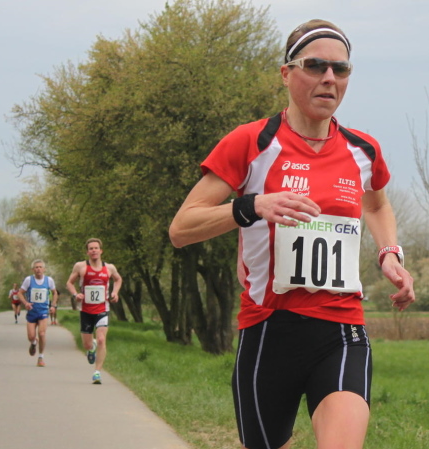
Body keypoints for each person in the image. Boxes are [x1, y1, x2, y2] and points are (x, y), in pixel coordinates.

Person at [169, 19, 415, 449]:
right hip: (269, 329)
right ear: (286, 73)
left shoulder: (363, 150)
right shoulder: (251, 142)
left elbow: (376, 204)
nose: (329, 78)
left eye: (340, 69)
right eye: (315, 66)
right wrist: (252, 206)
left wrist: (389, 253)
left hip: (341, 328)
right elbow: (181, 228)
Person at [65, 238, 122, 385]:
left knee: (102, 339)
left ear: (101, 251)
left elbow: (118, 279)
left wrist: (115, 292)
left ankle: (97, 372)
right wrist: (75, 295)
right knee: (87, 345)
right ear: (87, 252)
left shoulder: (109, 268)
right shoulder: (80, 267)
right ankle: (92, 348)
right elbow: (69, 283)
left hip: (103, 309)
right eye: (91, 248)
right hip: (86, 310)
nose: (94, 250)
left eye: (96, 248)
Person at [17, 260, 58, 367]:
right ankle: (34, 342)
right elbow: (20, 293)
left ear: (44, 269)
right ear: (33, 269)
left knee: (42, 333)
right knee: (31, 336)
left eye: (40, 267)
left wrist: (53, 305)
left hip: (43, 311)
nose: (38, 269)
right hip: (32, 312)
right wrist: (26, 303)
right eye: (36, 267)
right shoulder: (28, 280)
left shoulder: (49, 280)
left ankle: (41, 357)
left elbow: (55, 293)